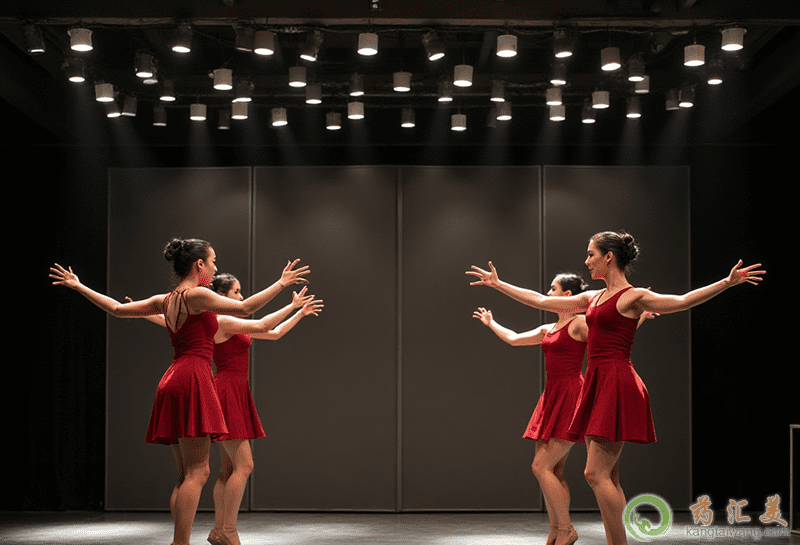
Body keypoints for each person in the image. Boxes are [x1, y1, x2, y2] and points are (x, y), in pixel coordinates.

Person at [466, 231, 763, 545]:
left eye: (591, 254)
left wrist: (726, 282)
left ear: (608, 257)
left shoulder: (633, 297)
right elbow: (540, 300)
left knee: (594, 474)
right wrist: (498, 284)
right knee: (608, 476)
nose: (586, 261)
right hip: (598, 382)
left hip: (617, 382)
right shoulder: (592, 298)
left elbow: (682, 301)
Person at [50, 238, 310, 545]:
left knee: (187, 473)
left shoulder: (166, 299)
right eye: (212, 262)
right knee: (198, 472)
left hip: (173, 377)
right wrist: (281, 283)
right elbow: (246, 307)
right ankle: (180, 542)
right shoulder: (197, 295)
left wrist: (80, 286)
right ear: (199, 264)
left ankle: (183, 539)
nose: (214, 268)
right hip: (192, 377)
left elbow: (118, 309)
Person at [136, 272, 323, 545]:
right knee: (244, 465)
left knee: (227, 470)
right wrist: (291, 304)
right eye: (236, 291)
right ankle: (228, 530)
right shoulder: (220, 322)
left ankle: (219, 530)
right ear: (221, 296)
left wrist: (298, 313)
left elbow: (274, 333)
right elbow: (262, 323)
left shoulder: (228, 323)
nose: (241, 296)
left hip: (234, 390)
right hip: (226, 391)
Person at [473, 273, 652, 545]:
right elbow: (514, 339)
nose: (548, 292)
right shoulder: (548, 329)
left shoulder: (579, 323)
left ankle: (566, 529)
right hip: (552, 396)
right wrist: (491, 323)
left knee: (540, 466)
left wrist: (639, 316)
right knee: (553, 471)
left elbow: (611, 334)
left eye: (553, 288)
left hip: (572, 395)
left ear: (567, 295)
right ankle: (557, 530)